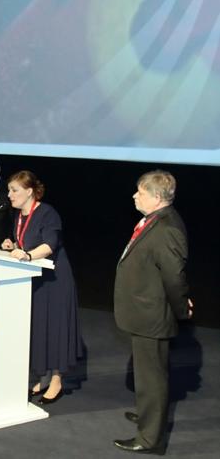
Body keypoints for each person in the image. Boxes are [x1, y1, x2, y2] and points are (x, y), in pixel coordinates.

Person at [113, 170, 192, 454]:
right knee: (147, 375)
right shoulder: (155, 219)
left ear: (157, 197)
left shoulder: (167, 228)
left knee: (152, 379)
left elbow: (174, 277)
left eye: (141, 192)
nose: (135, 196)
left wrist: (181, 308)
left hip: (153, 316)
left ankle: (150, 439)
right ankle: (150, 418)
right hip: (144, 313)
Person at [1, 170, 83, 404]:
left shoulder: (48, 213)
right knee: (40, 327)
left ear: (29, 191)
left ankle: (57, 380)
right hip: (36, 278)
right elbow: (27, 241)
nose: (9, 195)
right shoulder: (19, 215)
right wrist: (13, 245)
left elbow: (49, 244)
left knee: (55, 327)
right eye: (9, 190)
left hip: (55, 280)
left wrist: (27, 255)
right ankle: (44, 376)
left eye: (14, 190)